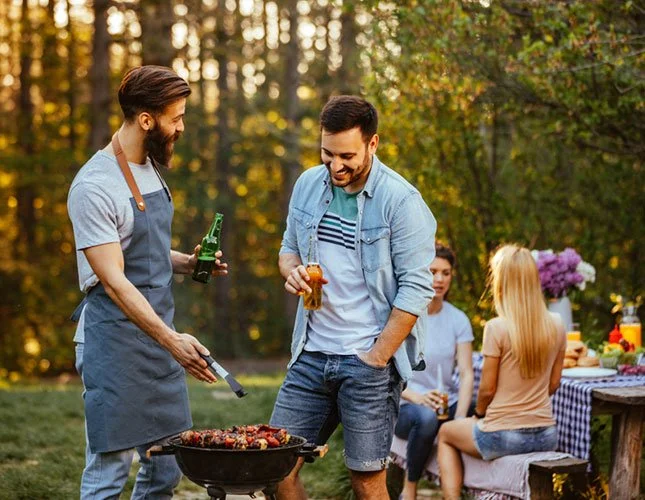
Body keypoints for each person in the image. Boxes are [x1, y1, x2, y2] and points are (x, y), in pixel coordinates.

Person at [67, 65, 227, 499]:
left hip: (157, 339)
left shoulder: (148, 166)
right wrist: (173, 342)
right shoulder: (96, 186)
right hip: (114, 342)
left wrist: (186, 262)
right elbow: (115, 281)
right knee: (110, 469)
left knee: (165, 469)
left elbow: (142, 251)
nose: (181, 127)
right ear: (146, 120)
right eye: (176, 117)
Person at [270, 95, 437, 500]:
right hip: (310, 353)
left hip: (367, 361)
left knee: (366, 481)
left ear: (372, 144)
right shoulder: (308, 184)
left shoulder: (401, 201)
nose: (335, 166)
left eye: (347, 156)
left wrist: (378, 357)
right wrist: (291, 270)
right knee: (274, 466)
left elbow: (417, 289)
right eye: (327, 154)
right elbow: (288, 248)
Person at [437, 244, 566, 500]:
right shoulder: (558, 324)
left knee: (445, 434)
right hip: (546, 435)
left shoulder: (496, 327)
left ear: (501, 281)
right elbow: (553, 384)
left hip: (503, 436)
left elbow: (487, 390)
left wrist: (480, 414)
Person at [394, 243, 474, 500]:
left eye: (446, 273)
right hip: (407, 405)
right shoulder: (404, 315)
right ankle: (410, 488)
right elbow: (387, 370)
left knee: (480, 410)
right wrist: (416, 397)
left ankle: (465, 490)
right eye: (432, 271)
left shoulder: (458, 319)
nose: (439, 279)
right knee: (426, 418)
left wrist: (460, 417)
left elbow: (466, 372)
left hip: (445, 403)